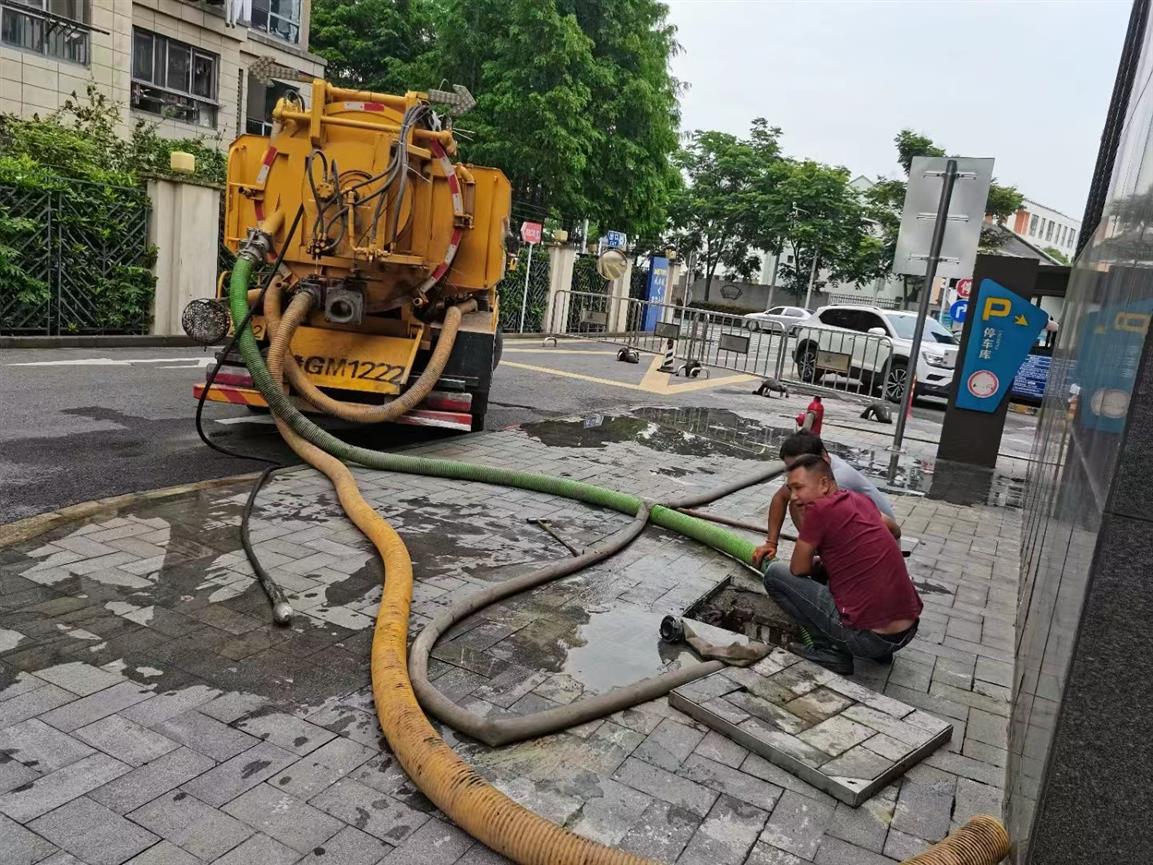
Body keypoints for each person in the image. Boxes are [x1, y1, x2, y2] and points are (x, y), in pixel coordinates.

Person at [759, 454, 922, 674]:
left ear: (824, 484)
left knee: (775, 574)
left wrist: (814, 561)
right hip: (907, 631)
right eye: (792, 490)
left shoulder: (818, 511)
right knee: (827, 570)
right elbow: (894, 530)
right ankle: (880, 652)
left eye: (799, 488)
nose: (795, 497)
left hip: (869, 640)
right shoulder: (859, 500)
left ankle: (830, 652)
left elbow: (798, 569)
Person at [752, 431, 894, 567]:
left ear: (824, 456)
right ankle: (822, 555)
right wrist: (771, 543)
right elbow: (780, 498)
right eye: (791, 468)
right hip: (864, 535)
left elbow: (890, 527)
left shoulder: (837, 480)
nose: (794, 473)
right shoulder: (817, 465)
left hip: (877, 546)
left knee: (803, 506)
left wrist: (805, 561)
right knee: (797, 503)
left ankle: (826, 558)